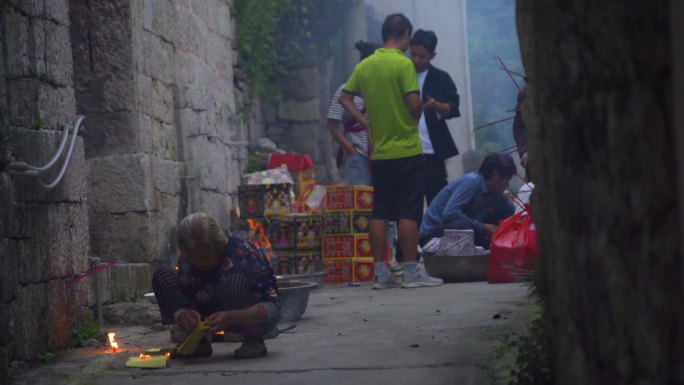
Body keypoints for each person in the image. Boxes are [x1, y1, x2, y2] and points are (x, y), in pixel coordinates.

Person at [339, 13, 442, 289]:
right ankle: (410, 271)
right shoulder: (403, 64)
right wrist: (420, 109)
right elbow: (413, 103)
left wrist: (365, 123)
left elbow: (344, 97)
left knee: (380, 211)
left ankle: (380, 272)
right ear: (406, 34)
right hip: (407, 150)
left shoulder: (366, 65)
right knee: (409, 211)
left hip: (380, 153)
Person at [152, 212, 279, 359]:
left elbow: (272, 306)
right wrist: (182, 314)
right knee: (162, 275)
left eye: (205, 256)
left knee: (234, 280)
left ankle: (254, 340)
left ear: (218, 245)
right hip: (206, 315)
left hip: (246, 318)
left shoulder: (244, 256)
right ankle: (197, 343)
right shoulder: (186, 261)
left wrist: (231, 317)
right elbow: (180, 294)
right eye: (194, 257)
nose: (200, 262)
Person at [420, 153, 516, 248]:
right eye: (507, 179)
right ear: (495, 175)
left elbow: (512, 213)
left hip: (458, 233)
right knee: (465, 226)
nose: (507, 185)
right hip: (432, 234)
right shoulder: (471, 182)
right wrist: (482, 227)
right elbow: (450, 213)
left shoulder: (497, 193)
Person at [409, 29, 461, 205]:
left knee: (437, 203)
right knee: (410, 204)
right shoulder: (401, 73)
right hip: (407, 149)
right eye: (413, 54)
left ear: (432, 55)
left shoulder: (441, 78)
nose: (416, 60)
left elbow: (454, 108)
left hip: (433, 151)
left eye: (421, 56)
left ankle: (434, 234)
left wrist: (437, 106)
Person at [326, 41, 380, 186]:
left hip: (380, 153)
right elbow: (332, 124)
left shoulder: (382, 89)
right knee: (360, 203)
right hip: (358, 153)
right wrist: (348, 148)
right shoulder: (346, 89)